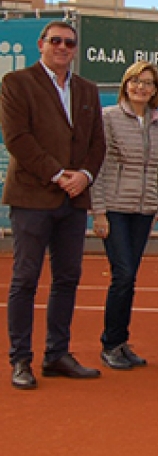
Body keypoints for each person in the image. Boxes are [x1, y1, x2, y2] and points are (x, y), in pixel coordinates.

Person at [2, 20, 106, 389]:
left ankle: (56, 354)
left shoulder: (87, 90)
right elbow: (18, 138)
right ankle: (20, 360)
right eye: (56, 41)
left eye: (70, 42)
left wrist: (84, 177)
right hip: (33, 197)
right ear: (41, 44)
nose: (63, 47)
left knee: (67, 277)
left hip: (74, 200)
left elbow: (97, 143)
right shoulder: (16, 84)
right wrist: (58, 174)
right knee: (25, 279)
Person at [92, 61, 158, 370]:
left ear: (155, 90)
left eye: (148, 83)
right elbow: (100, 166)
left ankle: (121, 342)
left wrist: (156, 205)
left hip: (142, 211)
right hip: (115, 208)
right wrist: (99, 211)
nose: (141, 87)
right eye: (135, 81)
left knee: (129, 278)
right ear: (125, 84)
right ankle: (110, 343)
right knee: (122, 275)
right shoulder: (108, 118)